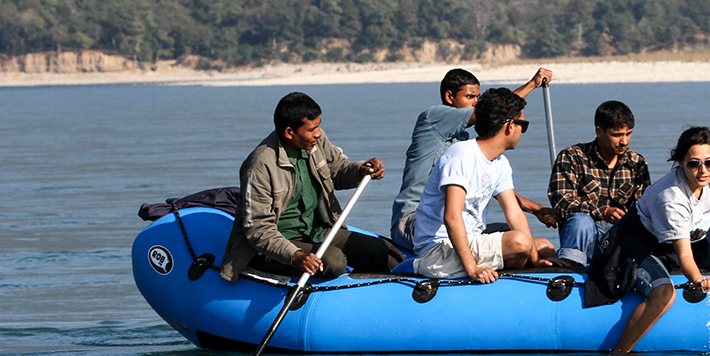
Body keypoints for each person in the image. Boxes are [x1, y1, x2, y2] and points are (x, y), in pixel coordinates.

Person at [584, 127, 710, 353]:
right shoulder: (671, 198)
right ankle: (622, 352)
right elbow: (684, 254)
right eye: (694, 164)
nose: (703, 170)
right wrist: (699, 279)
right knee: (664, 293)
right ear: (680, 162)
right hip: (634, 244)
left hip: (674, 242)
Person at [221, 92, 391, 283]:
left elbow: (337, 171)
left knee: (376, 250)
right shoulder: (260, 166)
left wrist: (361, 170)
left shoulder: (316, 141)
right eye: (311, 129)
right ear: (289, 132)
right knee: (334, 261)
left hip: (315, 230)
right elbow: (258, 230)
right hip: (273, 246)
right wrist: (297, 256)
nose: (318, 133)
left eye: (318, 126)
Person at [391, 66, 557, 244]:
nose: (476, 102)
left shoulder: (467, 144)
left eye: (478, 97)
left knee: (516, 235)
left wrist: (537, 209)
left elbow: (492, 187)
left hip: (448, 218)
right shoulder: (433, 118)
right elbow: (494, 112)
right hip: (412, 219)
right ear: (449, 97)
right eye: (470, 97)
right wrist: (532, 84)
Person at [409, 87, 559, 281]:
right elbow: (452, 216)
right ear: (510, 126)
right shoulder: (461, 155)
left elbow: (514, 213)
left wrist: (536, 260)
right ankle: (475, 272)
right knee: (520, 242)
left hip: (471, 240)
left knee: (544, 247)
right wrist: (472, 269)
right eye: (524, 125)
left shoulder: (500, 162)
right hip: (439, 249)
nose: (523, 131)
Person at [547, 100, 651, 266]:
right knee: (582, 221)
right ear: (599, 131)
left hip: (619, 238)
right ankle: (569, 268)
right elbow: (562, 202)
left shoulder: (637, 163)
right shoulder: (572, 156)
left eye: (628, 134)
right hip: (584, 239)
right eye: (617, 135)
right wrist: (602, 211)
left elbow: (644, 208)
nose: (624, 141)